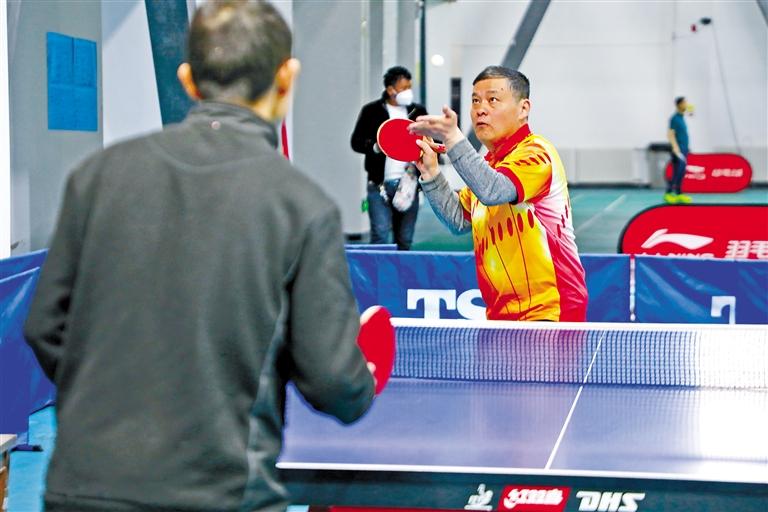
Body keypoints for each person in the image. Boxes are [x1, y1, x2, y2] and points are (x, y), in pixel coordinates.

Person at [23, 2, 375, 511]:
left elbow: (44, 327)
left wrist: (116, 402)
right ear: (286, 76)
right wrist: (360, 384)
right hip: (220, 493)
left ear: (188, 79)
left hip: (84, 489)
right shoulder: (301, 204)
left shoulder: (97, 176)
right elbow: (333, 381)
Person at [410, 66, 588, 322]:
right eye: (475, 100)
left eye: (493, 99)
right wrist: (431, 173)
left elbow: (493, 190)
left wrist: (453, 138)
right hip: (500, 315)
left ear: (523, 109)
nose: (480, 109)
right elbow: (459, 219)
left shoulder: (537, 154)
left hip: (550, 312)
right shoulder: (489, 166)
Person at [350, 66, 428, 250]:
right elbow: (356, 142)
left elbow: (431, 139)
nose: (408, 92)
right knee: (380, 236)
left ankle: (402, 270)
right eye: (404, 88)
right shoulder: (371, 111)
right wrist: (376, 146)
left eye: (409, 87)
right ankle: (377, 270)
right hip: (378, 185)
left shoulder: (418, 111)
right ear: (391, 89)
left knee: (405, 239)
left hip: (408, 184)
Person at [666, 96, 692, 204]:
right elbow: (670, 134)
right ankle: (668, 193)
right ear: (679, 104)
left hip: (684, 148)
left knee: (682, 172)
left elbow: (692, 114)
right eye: (684, 102)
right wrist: (675, 148)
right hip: (678, 150)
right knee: (677, 172)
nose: (686, 104)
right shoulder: (674, 118)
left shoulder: (682, 117)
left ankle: (679, 193)